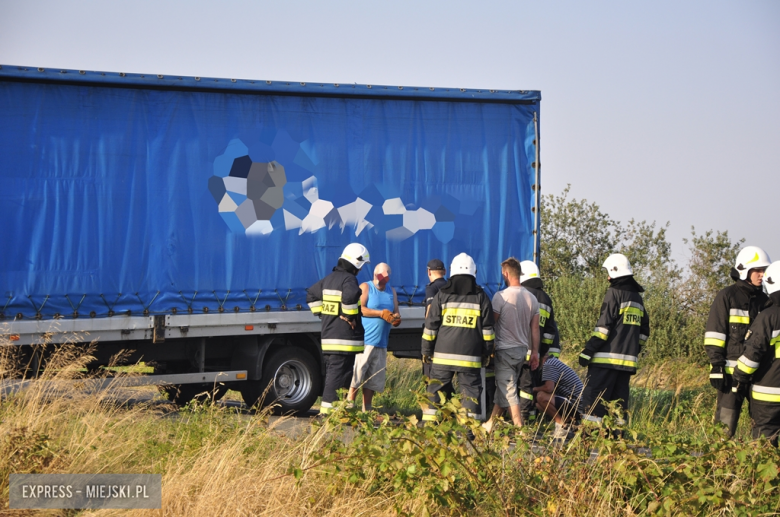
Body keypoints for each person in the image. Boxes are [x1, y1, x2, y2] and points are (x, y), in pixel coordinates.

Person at [705, 246, 771, 437]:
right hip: (730, 375)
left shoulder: (766, 301)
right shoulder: (726, 297)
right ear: (744, 271)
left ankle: (756, 462)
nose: (761, 275)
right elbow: (714, 334)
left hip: (758, 375)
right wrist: (716, 366)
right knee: (725, 425)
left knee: (761, 424)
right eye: (757, 270)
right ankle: (719, 461)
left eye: (763, 271)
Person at [421, 253, 495, 422]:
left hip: (442, 357)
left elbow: (430, 326)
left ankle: (430, 428)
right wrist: (486, 353)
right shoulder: (481, 297)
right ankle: (469, 431)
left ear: (452, 271)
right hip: (470, 358)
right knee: (470, 393)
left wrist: (426, 351)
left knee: (435, 390)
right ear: (474, 272)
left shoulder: (442, 295)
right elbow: (488, 332)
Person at [578, 253, 650, 427]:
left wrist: (588, 351)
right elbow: (644, 332)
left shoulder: (614, 293)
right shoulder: (637, 299)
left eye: (608, 273)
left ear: (615, 272)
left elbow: (603, 328)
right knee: (618, 405)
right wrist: (633, 349)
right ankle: (617, 440)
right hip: (626, 365)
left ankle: (589, 437)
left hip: (605, 361)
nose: (608, 278)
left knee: (593, 401)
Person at [306, 243, 370, 415]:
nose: (361, 269)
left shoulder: (329, 278)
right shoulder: (349, 279)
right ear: (356, 263)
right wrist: (349, 317)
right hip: (343, 339)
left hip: (330, 337)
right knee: (336, 376)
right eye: (362, 265)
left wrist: (322, 313)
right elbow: (350, 297)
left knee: (340, 376)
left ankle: (338, 412)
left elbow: (311, 294)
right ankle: (326, 414)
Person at [482, 258, 540, 432]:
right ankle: (490, 424)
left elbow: (492, 324)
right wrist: (535, 352)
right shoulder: (532, 298)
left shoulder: (501, 297)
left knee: (508, 390)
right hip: (522, 351)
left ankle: (520, 428)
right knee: (504, 388)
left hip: (505, 350)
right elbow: (535, 329)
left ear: (506, 274)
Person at [733, 261, 780, 446]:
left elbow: (752, 355)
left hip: (767, 396)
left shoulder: (769, 316)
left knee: (764, 447)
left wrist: (739, 377)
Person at [347, 263, 401, 411]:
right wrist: (380, 313)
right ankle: (349, 404)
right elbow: (361, 309)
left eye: (385, 277)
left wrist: (395, 318)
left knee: (373, 377)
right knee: (357, 373)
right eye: (380, 276)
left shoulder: (392, 291)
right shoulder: (366, 287)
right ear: (375, 275)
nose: (382, 281)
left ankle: (367, 408)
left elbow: (396, 311)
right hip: (366, 340)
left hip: (381, 342)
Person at [517, 260, 560, 423]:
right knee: (529, 385)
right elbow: (550, 331)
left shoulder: (520, 293)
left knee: (516, 384)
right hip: (535, 352)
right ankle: (529, 418)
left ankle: (519, 419)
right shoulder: (546, 299)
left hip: (517, 348)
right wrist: (541, 351)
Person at [533, 341, 584, 442]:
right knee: (539, 404)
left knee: (541, 397)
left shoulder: (549, 364)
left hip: (577, 405)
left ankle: (562, 426)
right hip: (575, 403)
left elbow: (548, 388)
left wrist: (533, 389)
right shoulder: (553, 362)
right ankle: (570, 423)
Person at [422, 259, 448, 379]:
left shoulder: (431, 288)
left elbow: (430, 314)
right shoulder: (450, 286)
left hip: (435, 338)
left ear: (429, 272)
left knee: (431, 376)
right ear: (445, 271)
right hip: (447, 334)